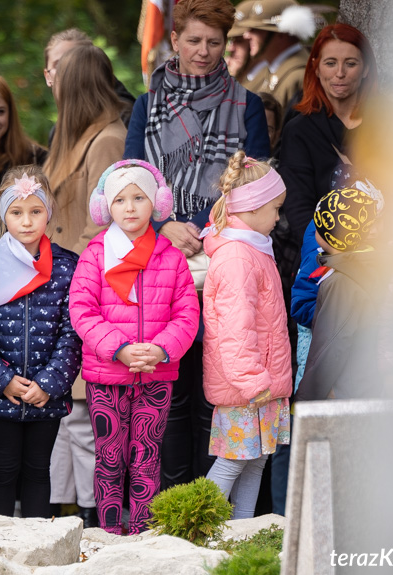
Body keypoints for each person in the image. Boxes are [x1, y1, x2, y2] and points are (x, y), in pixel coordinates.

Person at [124, 0, 270, 494]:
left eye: (213, 42)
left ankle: (213, 507)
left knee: (218, 390)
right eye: (194, 41)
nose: (203, 51)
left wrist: (211, 228)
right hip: (161, 261)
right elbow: (128, 184)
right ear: (174, 41)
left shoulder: (246, 104)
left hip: (224, 259)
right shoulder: (147, 106)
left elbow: (256, 186)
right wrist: (162, 224)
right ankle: (171, 504)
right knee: (171, 389)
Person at [69, 160, 199, 535]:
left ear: (156, 203)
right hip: (107, 375)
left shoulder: (171, 257)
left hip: (156, 374)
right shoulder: (95, 255)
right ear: (105, 207)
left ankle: (144, 532)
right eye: (120, 199)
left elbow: (187, 314)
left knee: (147, 457)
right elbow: (82, 310)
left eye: (139, 198)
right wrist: (120, 349)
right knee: (110, 458)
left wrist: (160, 350)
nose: (129, 207)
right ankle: (109, 533)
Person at [43, 43, 127, 526]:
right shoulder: (69, 137)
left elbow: (107, 224)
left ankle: (99, 517)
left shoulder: (107, 140)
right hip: (57, 286)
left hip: (86, 288)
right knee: (65, 419)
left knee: (83, 415)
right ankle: (62, 512)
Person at [0, 165, 81, 518]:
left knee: (37, 471)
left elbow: (72, 331)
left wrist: (49, 383)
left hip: (45, 395)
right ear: (4, 216)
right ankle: (0, 547)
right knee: (2, 471)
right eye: (16, 213)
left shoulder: (68, 267)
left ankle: (37, 549)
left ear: (49, 212)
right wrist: (2, 381)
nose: (27, 221)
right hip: (0, 394)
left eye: (36, 211)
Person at [200, 151, 292, 519]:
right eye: (276, 208)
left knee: (255, 461)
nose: (279, 217)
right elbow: (233, 331)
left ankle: (242, 533)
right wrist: (254, 382)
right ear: (253, 208)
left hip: (263, 383)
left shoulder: (253, 249)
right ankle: (190, 529)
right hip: (248, 387)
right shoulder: (239, 256)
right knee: (232, 463)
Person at [278, 23, 379, 251]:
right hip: (322, 257)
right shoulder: (299, 130)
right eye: (330, 63)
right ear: (316, 67)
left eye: (350, 64)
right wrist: (338, 256)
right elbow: (298, 209)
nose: (340, 73)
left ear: (365, 69)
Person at [295, 185, 385, 401]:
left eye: (319, 224)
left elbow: (330, 346)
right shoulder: (365, 268)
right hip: (363, 386)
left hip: (343, 392)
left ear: (331, 233)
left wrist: (305, 399)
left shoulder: (340, 281)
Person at [43, 29, 135, 141]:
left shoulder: (123, 118)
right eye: (58, 65)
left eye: (74, 62)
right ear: (48, 76)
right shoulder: (57, 133)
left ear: (93, 65)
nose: (67, 71)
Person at [239, 0, 315, 111]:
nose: (246, 35)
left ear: (282, 33)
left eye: (256, 29)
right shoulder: (272, 71)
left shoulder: (299, 76)